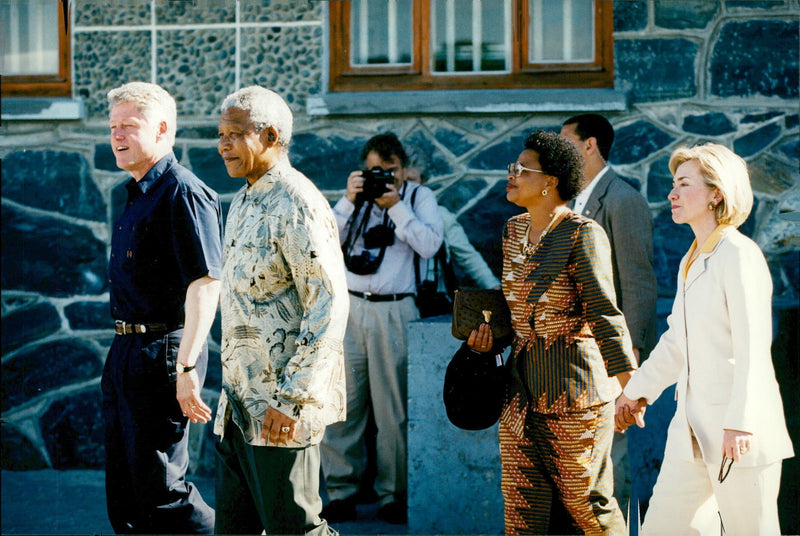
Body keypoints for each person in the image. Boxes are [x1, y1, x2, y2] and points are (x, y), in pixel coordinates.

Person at [615, 143, 794, 536]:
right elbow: (677, 342)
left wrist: (741, 424)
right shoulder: (691, 258)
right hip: (690, 432)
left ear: (717, 193)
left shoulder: (739, 255)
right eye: (672, 184)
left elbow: (754, 347)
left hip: (739, 434)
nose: (671, 194)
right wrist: (635, 393)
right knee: (661, 529)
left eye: (683, 184)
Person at [468, 130, 637, 535]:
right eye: (513, 167)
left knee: (588, 505)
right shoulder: (511, 232)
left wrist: (632, 388)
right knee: (522, 507)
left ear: (550, 181)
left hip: (575, 393)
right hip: (519, 392)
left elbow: (604, 315)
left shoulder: (583, 234)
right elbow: (516, 307)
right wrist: (488, 338)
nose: (511, 175)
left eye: (522, 169)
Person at [213, 86, 349, 535]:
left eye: (235, 134)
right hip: (237, 407)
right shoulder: (244, 198)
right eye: (220, 134)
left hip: (279, 410)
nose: (223, 145)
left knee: (297, 529)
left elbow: (329, 305)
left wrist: (292, 400)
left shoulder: (298, 202)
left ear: (270, 135)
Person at [102, 81, 221, 534]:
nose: (117, 136)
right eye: (113, 127)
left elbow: (206, 285)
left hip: (165, 353)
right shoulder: (137, 192)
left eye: (129, 126)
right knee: (127, 490)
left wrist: (187, 367)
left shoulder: (183, 192)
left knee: (164, 493)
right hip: (127, 351)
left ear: (163, 129)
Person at [321, 133, 444, 524]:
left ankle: (393, 495)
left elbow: (431, 245)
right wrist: (347, 201)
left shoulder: (417, 197)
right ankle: (341, 492)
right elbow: (322, 244)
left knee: (394, 412)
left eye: (391, 172)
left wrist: (396, 208)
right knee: (343, 406)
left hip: (395, 310)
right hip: (350, 309)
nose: (384, 179)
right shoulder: (353, 201)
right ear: (362, 169)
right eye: (376, 171)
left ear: (404, 169)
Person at [560, 113, 658, 517]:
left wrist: (629, 361)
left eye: (565, 142)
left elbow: (638, 282)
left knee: (609, 459)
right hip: (568, 355)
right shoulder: (566, 202)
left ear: (590, 145)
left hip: (608, 354)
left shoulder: (623, 199)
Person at [404, 146, 501, 290]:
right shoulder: (381, 216)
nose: (405, 186)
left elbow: (468, 257)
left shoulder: (440, 216)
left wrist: (493, 287)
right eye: (400, 181)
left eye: (411, 180)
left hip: (432, 301)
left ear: (422, 182)